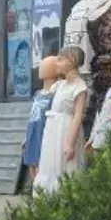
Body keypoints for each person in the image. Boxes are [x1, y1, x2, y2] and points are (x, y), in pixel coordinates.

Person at [62, 0, 111, 136]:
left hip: (95, 72)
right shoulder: (77, 6)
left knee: (89, 123)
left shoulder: (109, 0)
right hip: (72, 72)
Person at [34, 46, 89, 193]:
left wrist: (70, 143)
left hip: (65, 129)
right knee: (50, 164)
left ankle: (64, 198)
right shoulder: (61, 85)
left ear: (71, 61)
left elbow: (78, 115)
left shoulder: (79, 87)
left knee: (64, 165)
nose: (56, 63)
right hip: (53, 129)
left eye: (60, 60)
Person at [22, 54, 59, 192]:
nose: (41, 68)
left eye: (45, 66)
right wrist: (25, 138)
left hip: (45, 131)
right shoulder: (38, 94)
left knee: (42, 163)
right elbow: (32, 116)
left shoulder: (56, 93)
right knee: (31, 161)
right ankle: (36, 191)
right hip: (32, 130)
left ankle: (42, 193)